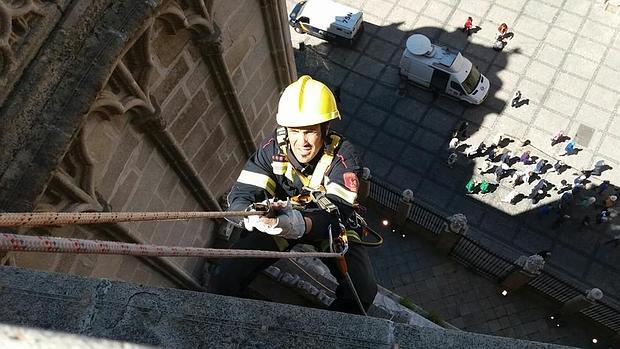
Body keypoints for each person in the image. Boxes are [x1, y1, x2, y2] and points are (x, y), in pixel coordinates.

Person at [208, 76, 377, 315]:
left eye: (310, 132)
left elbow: (338, 211)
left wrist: (299, 222)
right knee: (226, 275)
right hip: (279, 225)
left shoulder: (343, 157)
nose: (302, 142)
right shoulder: (272, 151)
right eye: (295, 131)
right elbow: (242, 193)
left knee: (363, 290)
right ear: (286, 129)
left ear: (325, 128)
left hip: (328, 228)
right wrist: (252, 216)